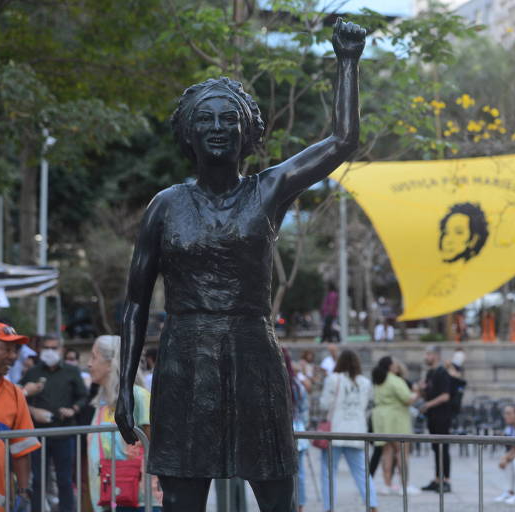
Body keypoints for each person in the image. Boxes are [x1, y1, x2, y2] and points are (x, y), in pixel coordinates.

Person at [114, 19, 366, 512]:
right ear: (188, 131)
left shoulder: (268, 189)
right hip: (186, 359)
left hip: (253, 355)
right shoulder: (165, 206)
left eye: (228, 119)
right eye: (205, 119)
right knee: (183, 496)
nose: (217, 128)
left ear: (247, 131)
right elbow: (135, 304)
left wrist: (348, 62)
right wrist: (124, 385)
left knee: (275, 494)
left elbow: (342, 141)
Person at [86, 335, 160, 512]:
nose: (89, 364)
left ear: (111, 362)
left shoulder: (138, 396)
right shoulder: (101, 403)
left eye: (94, 357)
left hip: (140, 500)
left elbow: (156, 444)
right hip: (109, 498)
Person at [20, 335, 88, 512]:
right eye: (46, 348)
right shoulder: (33, 372)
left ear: (62, 350)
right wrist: (33, 411)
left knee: (64, 479)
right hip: (38, 435)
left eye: (54, 347)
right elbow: (18, 398)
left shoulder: (71, 372)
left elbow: (83, 396)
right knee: (38, 480)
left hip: (64, 432)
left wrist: (73, 409)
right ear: (41, 350)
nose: (50, 351)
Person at [0, 322, 40, 512]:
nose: (13, 356)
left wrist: (24, 493)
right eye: (6, 349)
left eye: (14, 350)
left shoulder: (15, 394)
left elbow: (22, 448)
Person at [319, 350, 377, 512]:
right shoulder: (365, 382)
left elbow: (325, 404)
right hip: (356, 431)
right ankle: (372, 505)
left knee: (328, 473)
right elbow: (368, 406)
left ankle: (329, 507)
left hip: (335, 431)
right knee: (362, 473)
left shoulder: (333, 379)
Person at [371, 356, 419, 495]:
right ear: (390, 366)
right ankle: (404, 486)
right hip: (396, 418)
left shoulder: (379, 380)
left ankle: (387, 485)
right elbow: (407, 399)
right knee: (402, 452)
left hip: (381, 419)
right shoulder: (395, 380)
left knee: (387, 453)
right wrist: (416, 393)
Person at [419, 345, 453, 493]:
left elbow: (446, 396)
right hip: (432, 416)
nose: (426, 357)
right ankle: (437, 478)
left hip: (442, 416)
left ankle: (446, 480)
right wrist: (421, 389)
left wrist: (428, 404)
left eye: (429, 354)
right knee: (435, 448)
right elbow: (427, 394)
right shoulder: (430, 373)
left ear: (437, 356)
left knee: (443, 448)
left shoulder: (442, 373)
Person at [282, 349, 309, 512]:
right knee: (299, 473)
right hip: (298, 428)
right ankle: (300, 505)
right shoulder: (297, 384)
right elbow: (304, 408)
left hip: (285, 431)